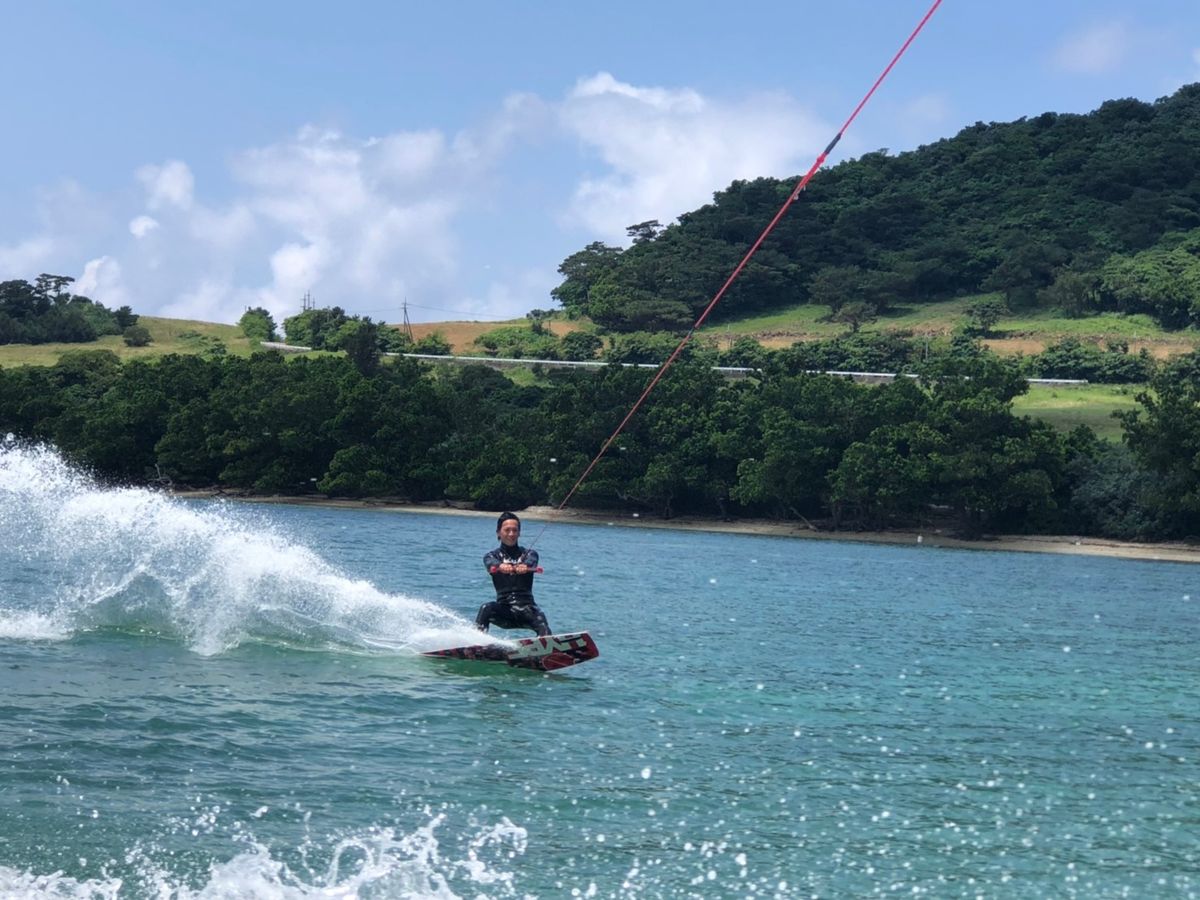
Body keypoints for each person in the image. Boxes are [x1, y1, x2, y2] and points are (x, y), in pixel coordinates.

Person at [475, 512, 551, 637]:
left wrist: (525, 566)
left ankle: (548, 648)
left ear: (519, 533)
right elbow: (490, 563)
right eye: (507, 530)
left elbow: (531, 562)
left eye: (515, 530)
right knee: (486, 608)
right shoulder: (491, 556)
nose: (511, 534)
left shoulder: (530, 554)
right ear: (499, 533)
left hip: (528, 609)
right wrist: (500, 566)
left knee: (541, 619)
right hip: (505, 611)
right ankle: (477, 642)